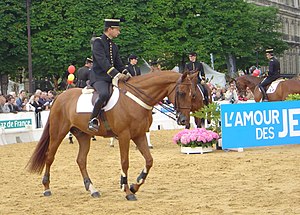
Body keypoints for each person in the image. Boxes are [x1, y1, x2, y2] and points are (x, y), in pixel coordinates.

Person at [88, 18, 130, 131]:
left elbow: (119, 64)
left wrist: (127, 73)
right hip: (99, 77)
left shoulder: (114, 46)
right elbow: (102, 62)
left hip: (110, 78)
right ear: (110, 29)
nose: (119, 32)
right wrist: (116, 74)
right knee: (104, 94)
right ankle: (93, 120)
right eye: (117, 29)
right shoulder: (98, 42)